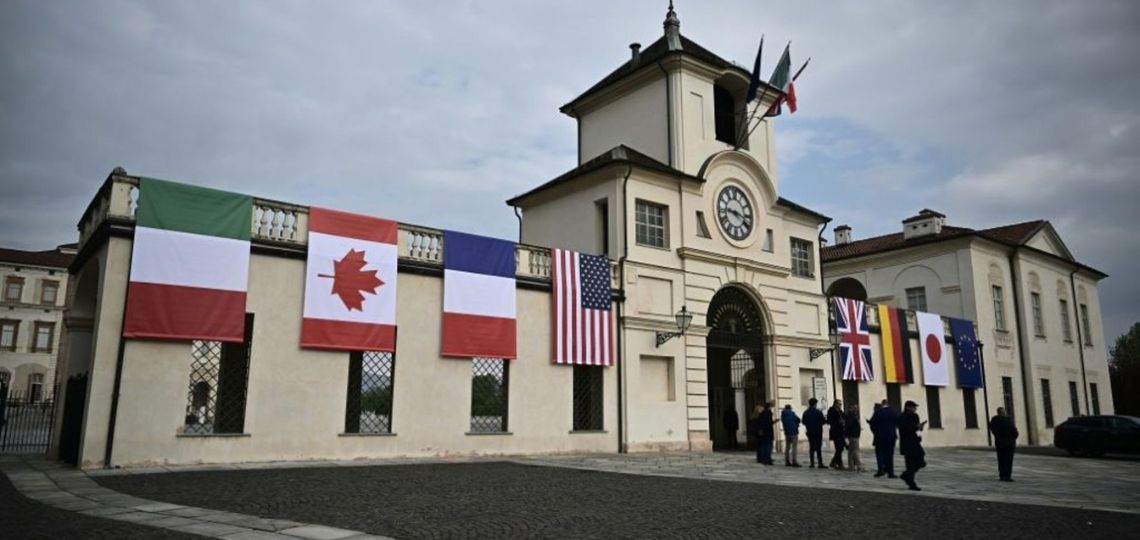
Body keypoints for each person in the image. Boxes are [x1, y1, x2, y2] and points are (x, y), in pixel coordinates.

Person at [896, 400, 927, 491]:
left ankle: (906, 475)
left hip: (916, 442)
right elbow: (904, 430)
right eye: (913, 407)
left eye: (915, 407)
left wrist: (920, 430)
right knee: (910, 465)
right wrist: (916, 427)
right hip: (907, 444)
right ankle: (911, 483)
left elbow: (917, 429)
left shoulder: (915, 416)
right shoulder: (902, 417)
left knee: (921, 462)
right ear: (907, 407)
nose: (915, 409)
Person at [989, 407, 1019, 482]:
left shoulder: (994, 420)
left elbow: (992, 428)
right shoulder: (1008, 420)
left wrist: (996, 435)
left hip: (999, 442)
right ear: (1004, 412)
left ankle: (1002, 475)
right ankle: (1007, 476)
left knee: (1001, 459)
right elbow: (1014, 431)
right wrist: (1014, 437)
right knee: (1008, 460)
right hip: (1009, 443)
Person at [870, 399, 898, 478]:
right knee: (890, 454)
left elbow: (872, 424)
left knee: (879, 454)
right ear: (888, 404)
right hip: (891, 437)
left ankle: (881, 470)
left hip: (880, 437)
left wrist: (875, 432)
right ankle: (891, 472)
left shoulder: (878, 412)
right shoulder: (893, 412)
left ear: (882, 404)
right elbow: (897, 423)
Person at [802, 398, 826, 468]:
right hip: (818, 432)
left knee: (811, 447)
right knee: (818, 448)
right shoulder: (818, 412)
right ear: (815, 404)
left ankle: (812, 463)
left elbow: (803, 421)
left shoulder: (806, 412)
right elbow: (823, 421)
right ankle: (820, 463)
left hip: (810, 432)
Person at [826, 399, 847, 469]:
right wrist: (838, 421)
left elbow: (844, 417)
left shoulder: (840, 411)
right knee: (839, 448)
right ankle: (838, 463)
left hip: (841, 431)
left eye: (841, 404)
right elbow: (829, 420)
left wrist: (843, 421)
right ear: (835, 404)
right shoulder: (831, 410)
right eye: (839, 404)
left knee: (840, 448)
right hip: (835, 432)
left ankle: (835, 462)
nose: (840, 405)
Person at [845, 403, 864, 472]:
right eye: (855, 408)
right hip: (853, 436)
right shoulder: (851, 416)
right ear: (852, 408)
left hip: (853, 435)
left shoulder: (853, 415)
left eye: (857, 408)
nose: (857, 409)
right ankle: (859, 466)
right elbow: (849, 426)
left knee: (851, 451)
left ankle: (851, 466)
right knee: (855, 451)